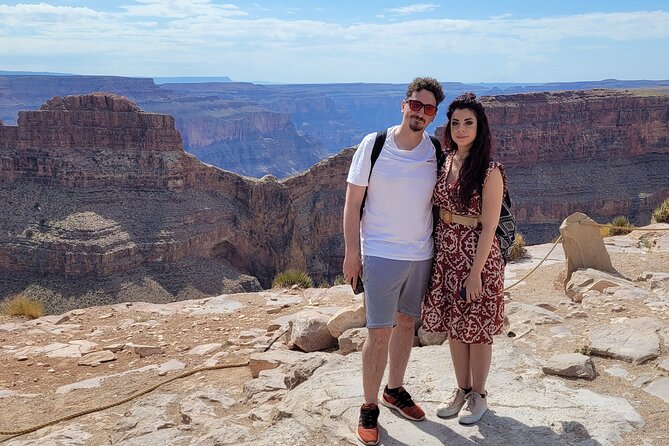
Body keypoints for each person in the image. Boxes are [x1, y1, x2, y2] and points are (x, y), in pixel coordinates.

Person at [342, 77, 445, 446]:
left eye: (428, 108)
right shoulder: (374, 145)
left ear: (434, 115)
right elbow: (353, 204)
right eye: (415, 105)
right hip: (381, 252)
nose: (420, 113)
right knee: (378, 331)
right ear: (404, 105)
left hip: (421, 253)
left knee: (406, 325)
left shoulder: (435, 149)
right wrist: (352, 253)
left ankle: (394, 390)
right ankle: (369, 406)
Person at [421, 92, 506, 425]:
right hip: (446, 254)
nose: (461, 129)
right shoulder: (447, 160)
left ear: (479, 126)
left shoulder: (489, 170)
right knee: (456, 328)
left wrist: (475, 274)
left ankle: (479, 396)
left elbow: (489, 227)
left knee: (478, 328)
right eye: (455, 123)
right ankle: (461, 390)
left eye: (468, 123)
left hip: (477, 256)